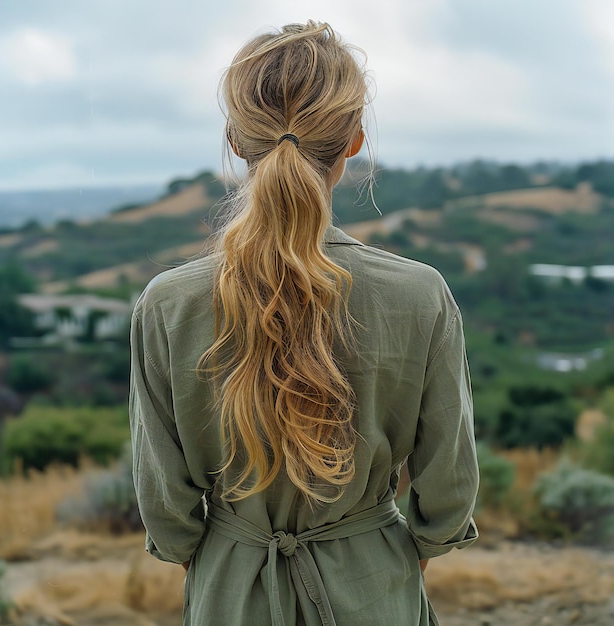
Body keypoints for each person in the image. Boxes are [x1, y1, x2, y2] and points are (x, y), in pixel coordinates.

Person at [129, 21, 478, 626]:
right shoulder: (421, 294)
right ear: (353, 142)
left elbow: (167, 505)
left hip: (232, 591)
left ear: (236, 142)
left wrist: (217, 562)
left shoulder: (168, 303)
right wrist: (388, 557)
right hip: (374, 588)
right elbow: (448, 484)